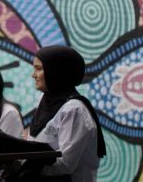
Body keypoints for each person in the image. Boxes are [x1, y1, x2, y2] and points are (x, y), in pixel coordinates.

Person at [28, 46, 106, 182]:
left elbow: (65, 164)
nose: (33, 74)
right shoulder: (46, 101)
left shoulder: (73, 110)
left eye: (39, 68)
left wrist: (25, 168)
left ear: (56, 71)